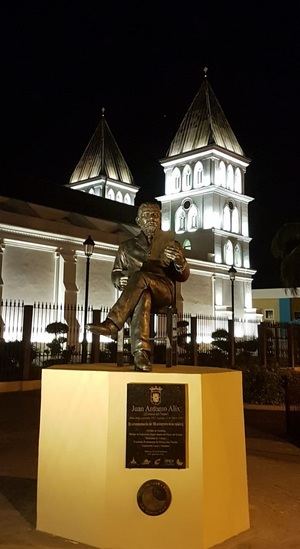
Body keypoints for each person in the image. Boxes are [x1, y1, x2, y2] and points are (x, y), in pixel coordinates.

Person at [87, 202, 190, 371]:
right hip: (140, 293)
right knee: (143, 295)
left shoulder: (170, 243)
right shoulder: (126, 247)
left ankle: (113, 323)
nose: (151, 219)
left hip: (163, 291)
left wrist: (180, 260)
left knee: (140, 277)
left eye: (155, 215)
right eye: (147, 215)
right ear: (138, 220)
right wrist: (118, 279)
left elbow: (183, 276)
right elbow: (116, 272)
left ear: (160, 219)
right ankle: (141, 354)